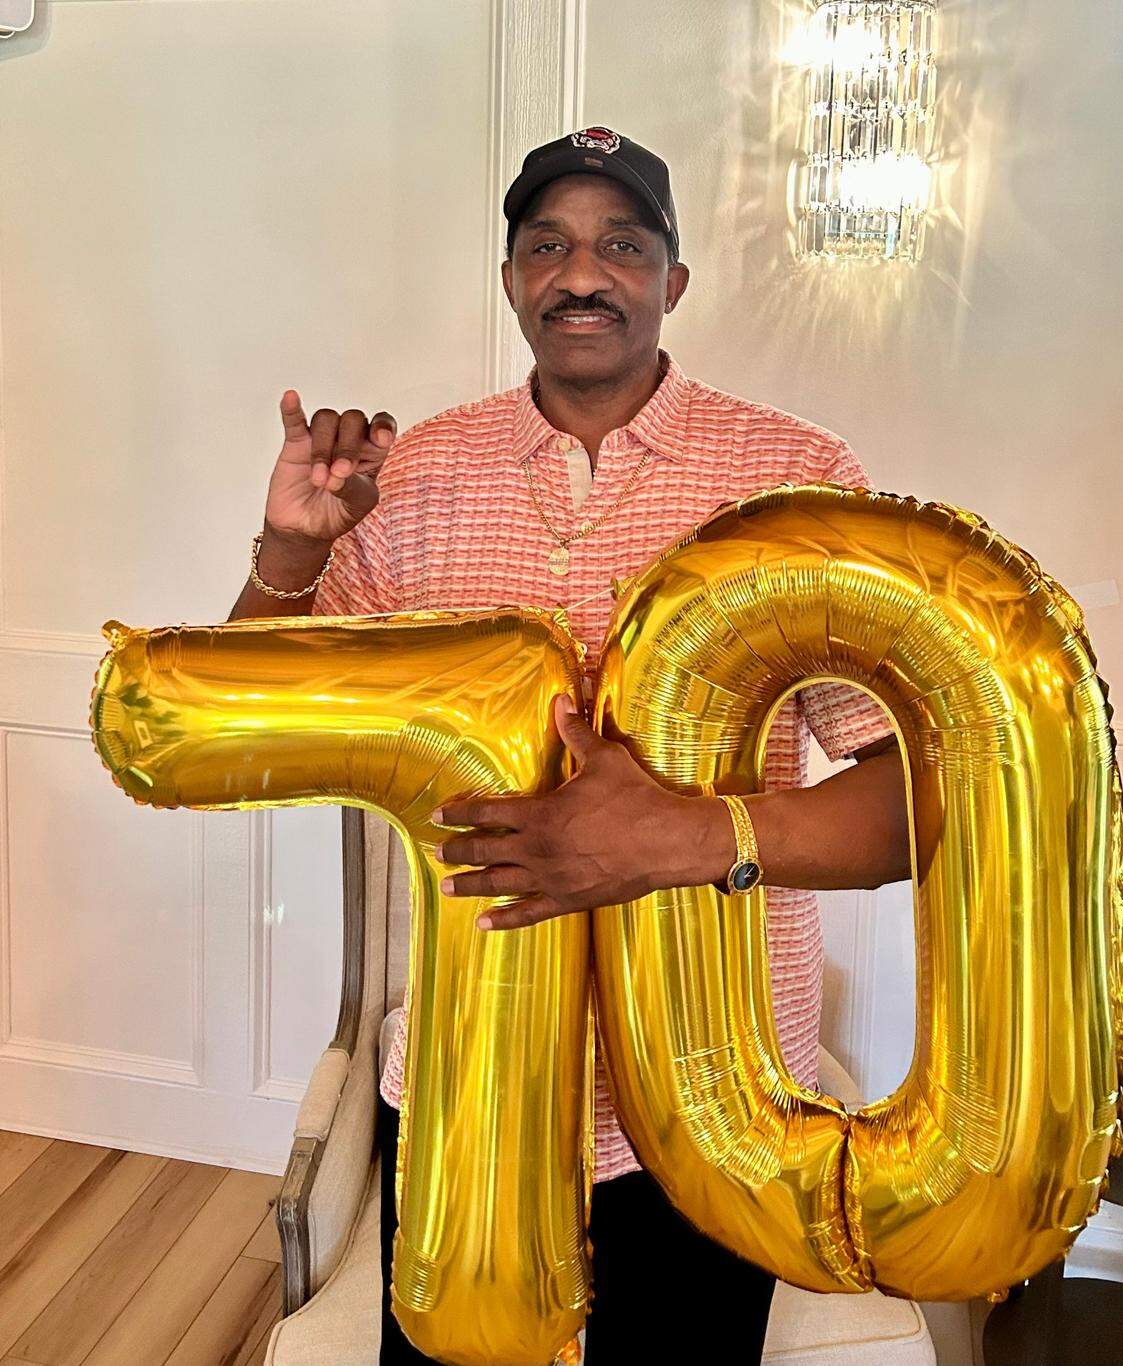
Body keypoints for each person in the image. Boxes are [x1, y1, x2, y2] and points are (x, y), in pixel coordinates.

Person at [229, 128, 910, 1364]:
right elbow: (258, 730)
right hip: (468, 1081)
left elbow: (914, 801)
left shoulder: (797, 476)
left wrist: (680, 837)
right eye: (547, 245)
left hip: (719, 1101)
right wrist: (293, 550)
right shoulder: (414, 473)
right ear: (511, 281)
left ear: (673, 281)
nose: (581, 273)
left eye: (622, 245)